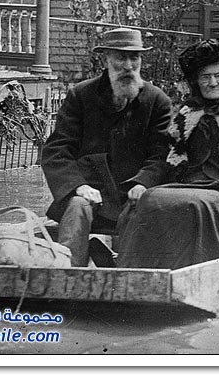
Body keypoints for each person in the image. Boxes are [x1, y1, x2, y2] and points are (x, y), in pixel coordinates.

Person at [115, 37, 219, 269]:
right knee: (148, 200)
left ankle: (194, 272)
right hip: (186, 185)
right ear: (196, 81)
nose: (213, 83)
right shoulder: (188, 114)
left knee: (192, 204)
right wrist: (144, 183)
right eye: (205, 77)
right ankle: (136, 270)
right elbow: (170, 159)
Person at [41, 28, 172, 266]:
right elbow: (57, 150)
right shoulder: (82, 95)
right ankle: (68, 272)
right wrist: (78, 186)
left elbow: (162, 153)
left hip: (134, 192)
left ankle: (127, 274)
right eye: (121, 57)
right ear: (106, 59)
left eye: (134, 58)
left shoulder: (157, 101)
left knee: (141, 212)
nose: (128, 66)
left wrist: (144, 183)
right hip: (91, 192)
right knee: (77, 207)